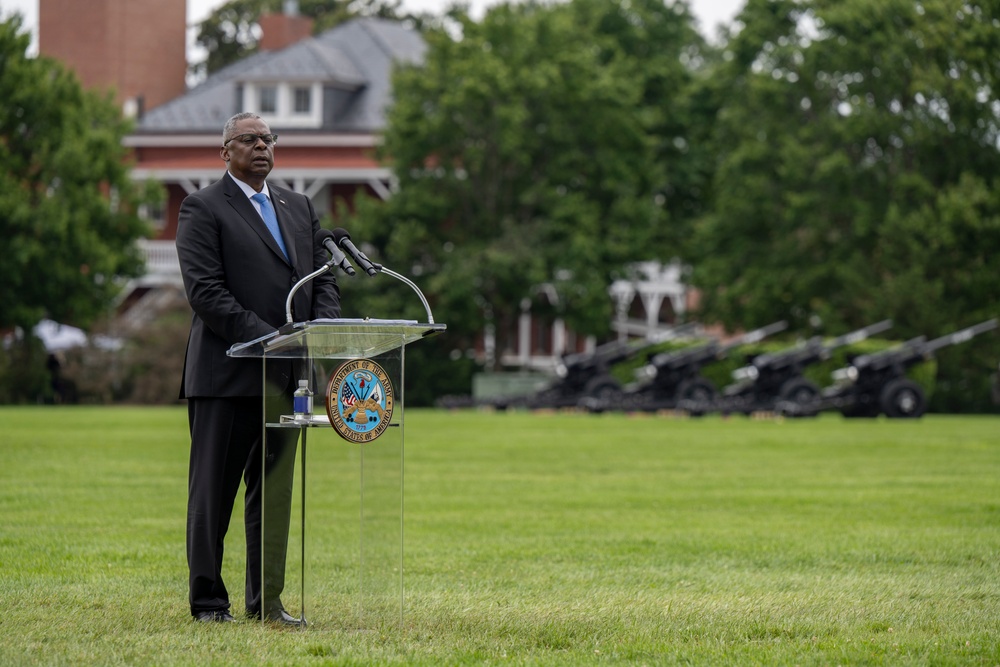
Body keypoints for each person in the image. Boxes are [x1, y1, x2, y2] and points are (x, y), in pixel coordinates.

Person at [176, 112, 341, 624]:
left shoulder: (299, 206)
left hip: (286, 380)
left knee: (272, 494)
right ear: (225, 151)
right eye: (249, 140)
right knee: (213, 495)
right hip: (227, 375)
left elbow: (323, 278)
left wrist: (320, 331)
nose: (263, 147)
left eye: (269, 139)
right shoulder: (201, 208)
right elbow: (206, 292)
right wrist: (270, 338)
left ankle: (266, 602)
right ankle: (208, 602)